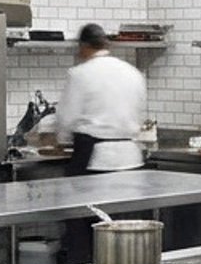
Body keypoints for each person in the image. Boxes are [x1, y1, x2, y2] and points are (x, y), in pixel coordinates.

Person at [53, 24, 146, 174]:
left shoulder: (80, 74)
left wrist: (60, 141)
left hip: (96, 160)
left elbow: (67, 118)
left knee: (78, 197)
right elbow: (138, 112)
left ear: (83, 45)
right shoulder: (133, 72)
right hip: (131, 159)